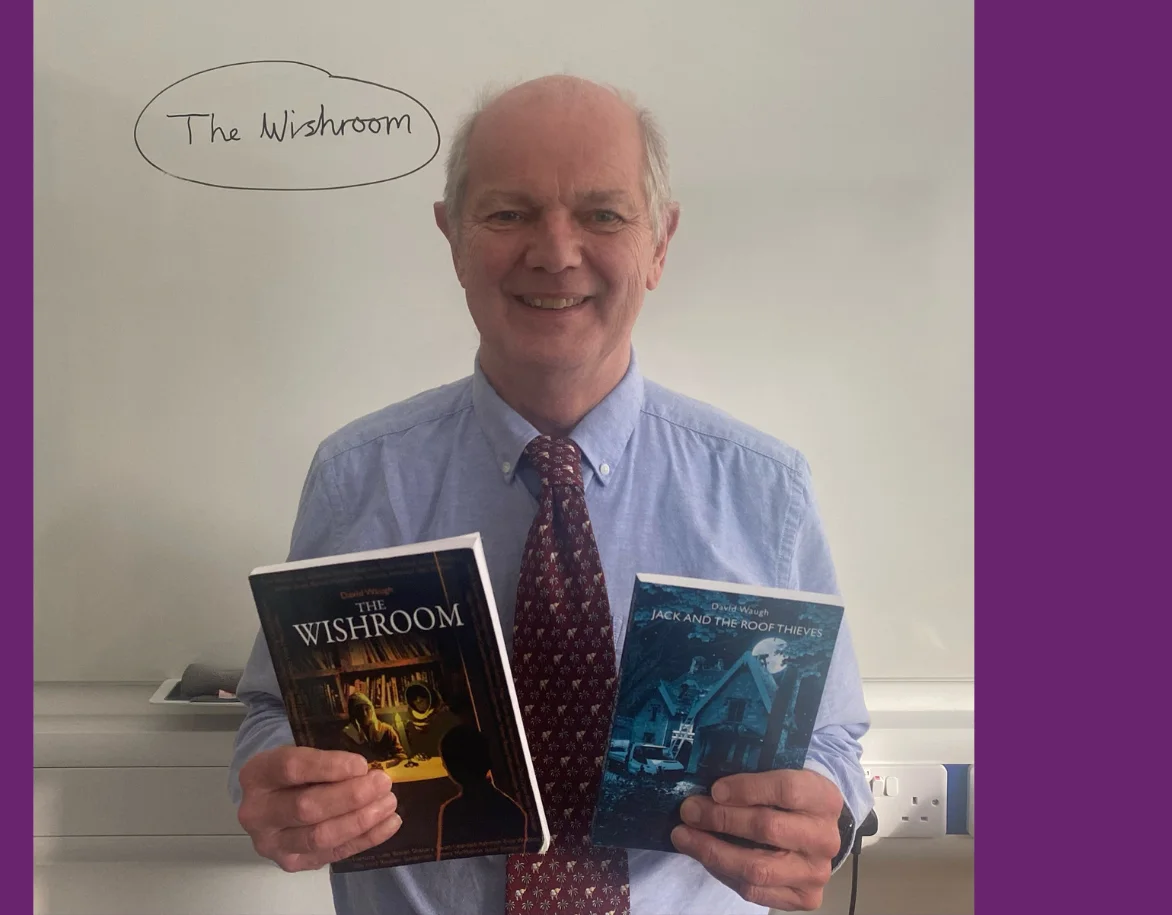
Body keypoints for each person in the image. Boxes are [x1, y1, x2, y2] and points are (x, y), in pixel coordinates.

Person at [229, 75, 871, 914]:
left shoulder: (765, 491)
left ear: (660, 243)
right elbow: (274, 713)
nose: (556, 251)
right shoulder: (358, 476)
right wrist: (282, 786)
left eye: (603, 214)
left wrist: (824, 809)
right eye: (508, 213)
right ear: (453, 238)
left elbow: (836, 740)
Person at [434, 724, 528, 859]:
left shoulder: (453, 811)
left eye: (446, 760)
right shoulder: (513, 811)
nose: (443, 765)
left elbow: (447, 863)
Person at [338, 692, 407, 769]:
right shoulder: (347, 735)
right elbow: (344, 764)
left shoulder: (386, 730)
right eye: (358, 710)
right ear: (353, 713)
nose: (364, 714)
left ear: (372, 710)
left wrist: (386, 764)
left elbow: (401, 756)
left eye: (367, 709)